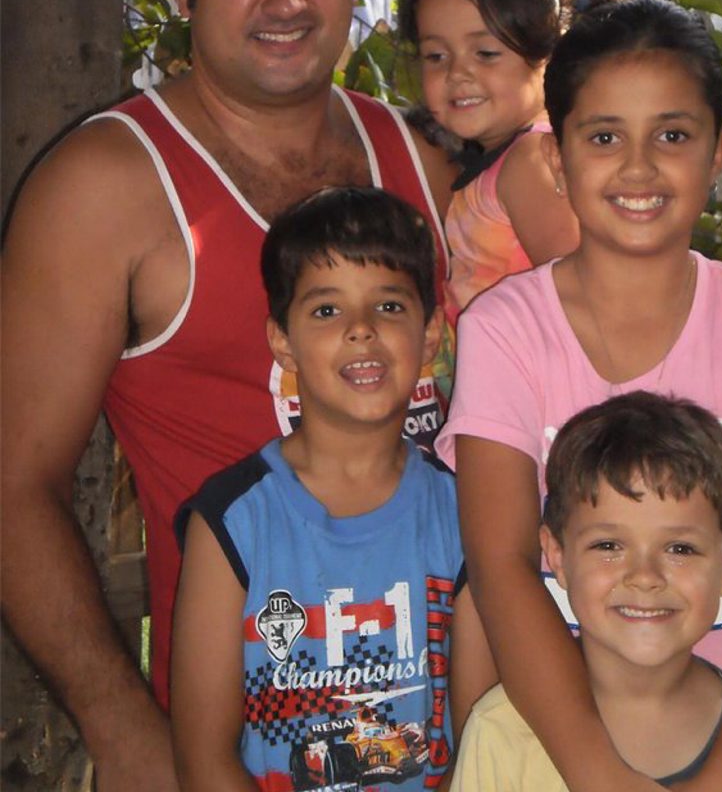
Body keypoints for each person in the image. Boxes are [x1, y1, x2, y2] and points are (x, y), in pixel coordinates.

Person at [1, 0, 454, 792]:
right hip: (239, 754)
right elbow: (10, 481)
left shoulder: (413, 164)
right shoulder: (105, 187)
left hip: (441, 738)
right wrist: (124, 727)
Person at [435, 0, 722, 792]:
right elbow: (502, 567)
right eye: (603, 137)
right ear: (557, 160)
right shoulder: (507, 330)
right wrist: (599, 776)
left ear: (718, 151)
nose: (638, 167)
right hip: (561, 755)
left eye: (672, 135)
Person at [170, 187, 495, 791]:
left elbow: (480, 736)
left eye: (390, 307)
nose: (361, 331)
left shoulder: (465, 516)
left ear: (430, 335)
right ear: (282, 341)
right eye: (326, 311)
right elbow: (204, 759)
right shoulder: (231, 521)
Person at [451, 391, 722, 790]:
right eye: (609, 546)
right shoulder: (499, 735)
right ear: (557, 556)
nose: (645, 576)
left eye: (680, 549)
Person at [397, 0, 580, 324]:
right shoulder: (501, 160)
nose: (458, 73)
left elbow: (579, 293)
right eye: (435, 55)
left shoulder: (529, 161)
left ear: (547, 51)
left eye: (485, 53)